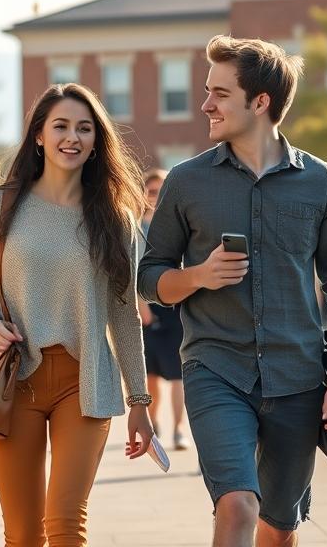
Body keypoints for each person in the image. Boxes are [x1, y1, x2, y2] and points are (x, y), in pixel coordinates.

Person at [138, 34, 327, 547]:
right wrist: (198, 275)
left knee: (279, 528)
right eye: (206, 90)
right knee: (238, 505)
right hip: (216, 369)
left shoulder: (322, 183)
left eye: (220, 93)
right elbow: (150, 277)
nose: (205, 104)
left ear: (260, 102)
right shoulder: (186, 181)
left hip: (297, 377)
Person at [0, 82, 154, 547]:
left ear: (96, 141)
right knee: (22, 534)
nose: (73, 137)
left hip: (84, 384)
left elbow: (123, 316)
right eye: (60, 125)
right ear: (38, 135)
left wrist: (139, 401)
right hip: (11, 381)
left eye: (85, 128)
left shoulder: (115, 218)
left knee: (64, 527)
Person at [136, 167, 190, 450]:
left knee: (179, 375)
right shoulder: (135, 228)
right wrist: (141, 306)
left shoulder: (179, 222)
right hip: (145, 311)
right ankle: (154, 424)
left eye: (162, 191)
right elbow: (131, 270)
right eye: (152, 191)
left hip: (176, 311)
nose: (156, 197)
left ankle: (180, 429)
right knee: (152, 377)